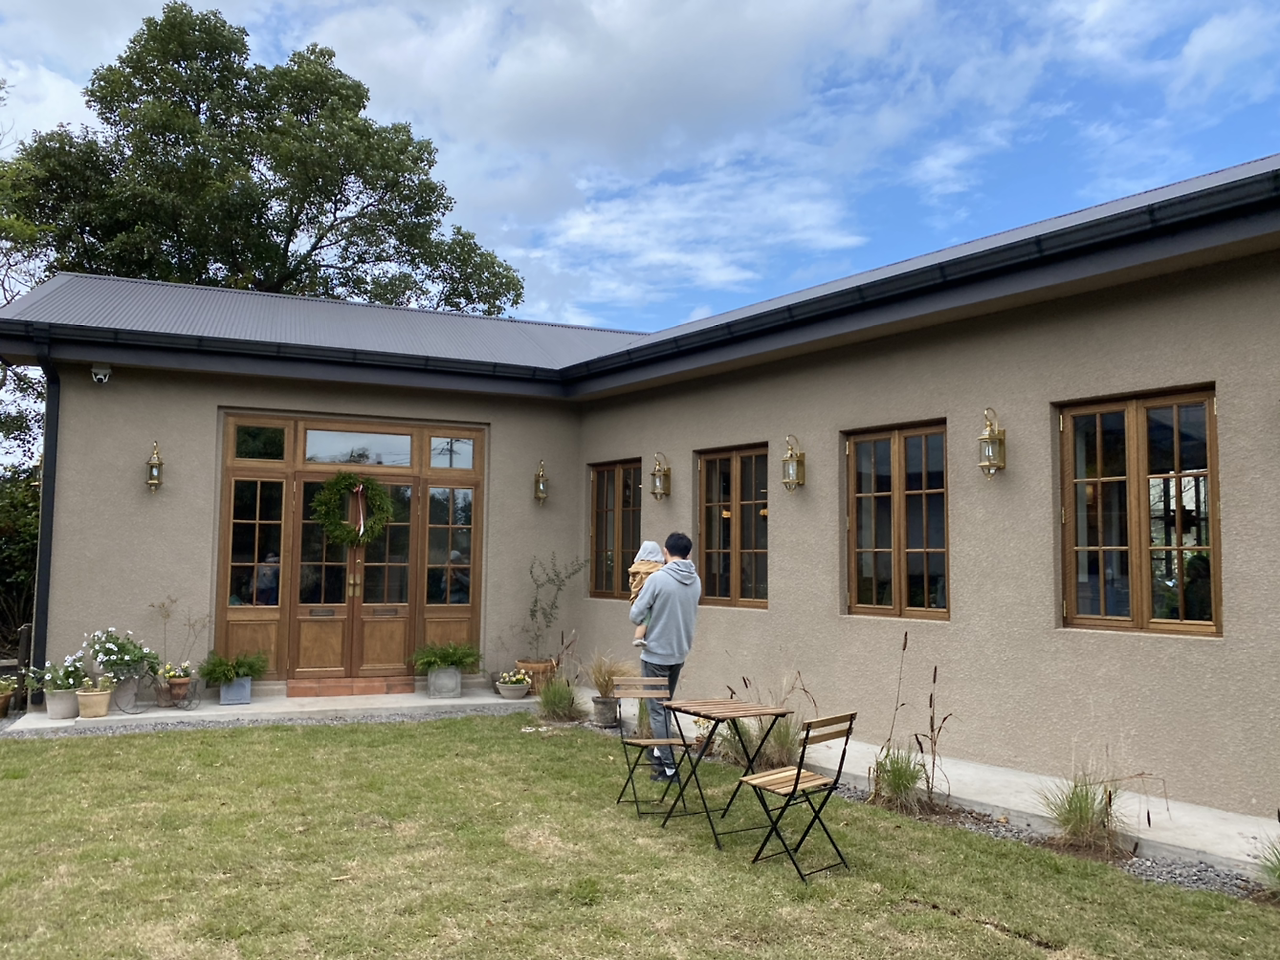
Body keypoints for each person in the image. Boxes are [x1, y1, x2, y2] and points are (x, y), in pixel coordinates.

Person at [629, 531, 701, 783]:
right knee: (666, 705)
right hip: (679, 653)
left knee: (657, 711)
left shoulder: (658, 579)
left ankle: (669, 769)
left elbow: (635, 615)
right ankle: (659, 752)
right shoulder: (696, 581)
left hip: (655, 655)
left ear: (665, 552)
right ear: (688, 554)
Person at [627, 540, 665, 648]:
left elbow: (631, 583)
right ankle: (638, 637)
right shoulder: (659, 568)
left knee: (644, 618)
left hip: (639, 597)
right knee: (647, 619)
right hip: (654, 599)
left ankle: (640, 637)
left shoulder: (635, 567)